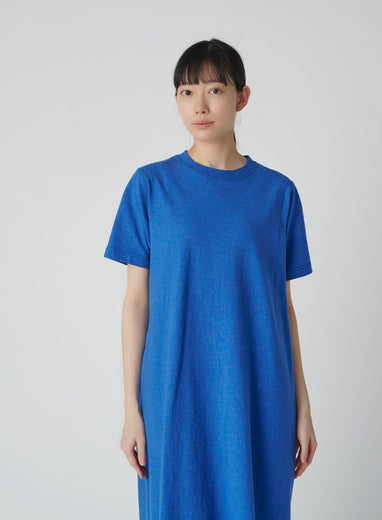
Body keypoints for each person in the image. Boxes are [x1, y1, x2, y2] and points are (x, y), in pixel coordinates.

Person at [104, 37, 317, 520]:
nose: (199, 105)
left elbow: (282, 308)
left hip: (259, 388)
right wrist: (131, 408)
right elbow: (136, 303)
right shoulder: (150, 186)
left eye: (215, 90)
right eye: (186, 92)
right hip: (174, 390)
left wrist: (303, 407)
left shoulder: (278, 194)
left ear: (242, 97)